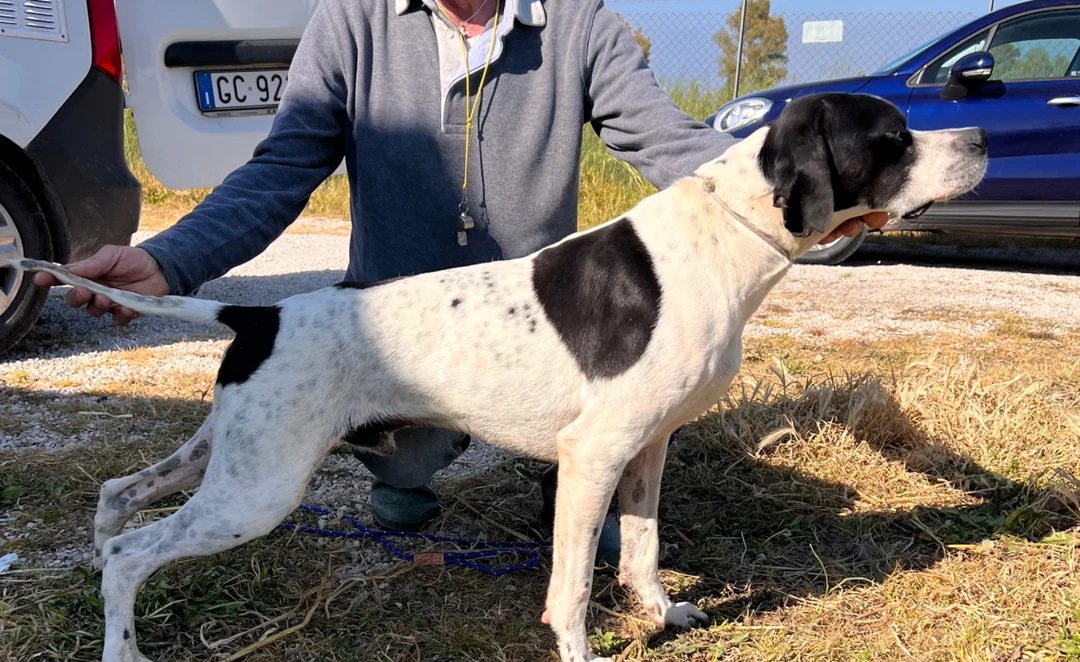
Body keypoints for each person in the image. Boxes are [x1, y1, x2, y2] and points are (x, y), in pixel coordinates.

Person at [35, 0, 884, 562]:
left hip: (552, 333)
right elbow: (281, 170)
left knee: (598, 445)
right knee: (407, 466)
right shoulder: (353, 20)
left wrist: (796, 195)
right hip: (398, 335)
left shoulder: (577, 21)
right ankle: (401, 467)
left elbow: (668, 144)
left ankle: (558, 477)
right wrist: (169, 261)